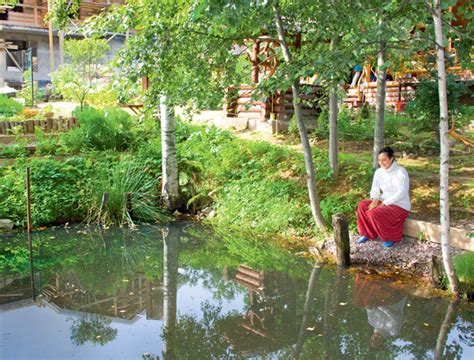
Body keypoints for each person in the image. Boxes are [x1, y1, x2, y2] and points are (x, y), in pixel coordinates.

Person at [356, 147, 410, 248]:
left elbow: (401, 192)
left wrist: (384, 204)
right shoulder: (379, 172)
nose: (381, 163)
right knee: (362, 205)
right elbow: (375, 188)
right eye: (379, 160)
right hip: (383, 200)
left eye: (384, 160)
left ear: (391, 159)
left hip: (400, 204)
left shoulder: (401, 172)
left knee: (374, 213)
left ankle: (390, 237)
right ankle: (367, 233)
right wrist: (375, 200)